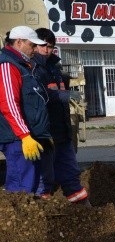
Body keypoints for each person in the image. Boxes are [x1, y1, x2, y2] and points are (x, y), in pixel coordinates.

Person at [32, 28, 89, 206]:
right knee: (44, 175)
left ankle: (82, 207)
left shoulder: (55, 68)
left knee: (70, 170)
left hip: (61, 129)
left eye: (51, 46)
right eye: (44, 46)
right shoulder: (32, 69)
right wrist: (62, 96)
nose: (47, 50)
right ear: (34, 45)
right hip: (45, 130)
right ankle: (43, 211)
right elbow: (37, 96)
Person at [0, 26, 51, 193]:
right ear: (19, 42)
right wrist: (25, 136)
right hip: (17, 139)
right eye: (32, 45)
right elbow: (8, 103)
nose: (35, 49)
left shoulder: (24, 66)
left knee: (31, 185)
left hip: (27, 136)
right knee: (21, 188)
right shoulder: (8, 65)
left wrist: (42, 133)